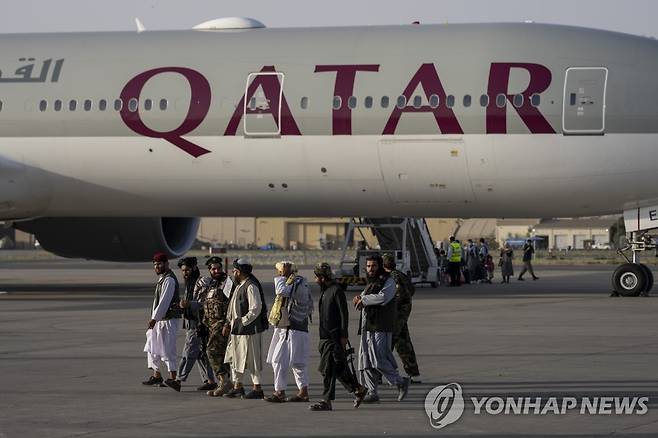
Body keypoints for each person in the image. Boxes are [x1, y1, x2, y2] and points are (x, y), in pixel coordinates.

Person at [309, 263, 367, 411]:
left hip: (333, 337)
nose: (315, 279)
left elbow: (344, 314)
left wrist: (344, 335)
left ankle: (326, 401)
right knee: (338, 368)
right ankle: (358, 388)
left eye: (316, 277)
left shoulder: (336, 291)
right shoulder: (325, 291)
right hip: (324, 336)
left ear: (322, 278)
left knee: (327, 369)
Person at [353, 255, 410, 403]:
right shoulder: (371, 283)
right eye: (369, 266)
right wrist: (359, 298)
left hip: (380, 326)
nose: (371, 269)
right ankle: (372, 392)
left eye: (374, 266)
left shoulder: (388, 281)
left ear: (380, 266)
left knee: (378, 359)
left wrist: (363, 300)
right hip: (367, 326)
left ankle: (400, 382)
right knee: (364, 359)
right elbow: (365, 297)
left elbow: (383, 298)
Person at [265, 261, 313, 403]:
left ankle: (303, 391)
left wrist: (282, 276)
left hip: (296, 329)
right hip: (283, 328)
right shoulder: (290, 283)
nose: (279, 273)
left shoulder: (299, 283)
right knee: (277, 360)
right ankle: (279, 391)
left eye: (281, 270)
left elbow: (280, 291)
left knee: (298, 362)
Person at [223, 258, 269, 399]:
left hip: (249, 330)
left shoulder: (251, 286)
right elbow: (232, 307)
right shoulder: (239, 285)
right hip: (237, 330)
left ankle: (257, 388)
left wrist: (243, 322)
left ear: (240, 272)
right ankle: (238, 386)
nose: (233, 272)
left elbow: (256, 308)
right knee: (235, 358)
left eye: (235, 270)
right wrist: (228, 323)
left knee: (252, 359)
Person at [142, 252, 182, 392]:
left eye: (159, 264)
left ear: (166, 264)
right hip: (160, 320)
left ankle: (173, 378)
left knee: (167, 348)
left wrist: (154, 318)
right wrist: (155, 318)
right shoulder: (162, 279)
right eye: (155, 264)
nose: (157, 266)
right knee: (153, 347)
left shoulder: (169, 280)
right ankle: (157, 374)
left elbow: (164, 302)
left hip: (168, 320)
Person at [176, 257, 217, 392]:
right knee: (201, 354)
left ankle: (178, 380)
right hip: (191, 322)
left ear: (194, 269)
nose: (185, 273)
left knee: (188, 352)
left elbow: (207, 304)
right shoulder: (189, 284)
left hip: (199, 324)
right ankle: (210, 380)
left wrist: (189, 304)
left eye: (187, 270)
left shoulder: (202, 283)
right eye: (183, 271)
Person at [382, 254, 421, 383]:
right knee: (404, 343)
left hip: (395, 315)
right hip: (403, 315)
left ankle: (379, 375)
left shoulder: (391, 277)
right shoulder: (401, 275)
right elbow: (412, 290)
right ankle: (412, 373)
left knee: (387, 344)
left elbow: (397, 296)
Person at [200, 257, 233, 397]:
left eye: (218, 268)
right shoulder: (211, 284)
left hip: (221, 323)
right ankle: (225, 382)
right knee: (220, 354)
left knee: (212, 351)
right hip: (211, 324)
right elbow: (207, 304)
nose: (216, 271)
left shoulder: (227, 283)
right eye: (213, 269)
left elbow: (232, 305)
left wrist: (227, 324)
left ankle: (225, 381)